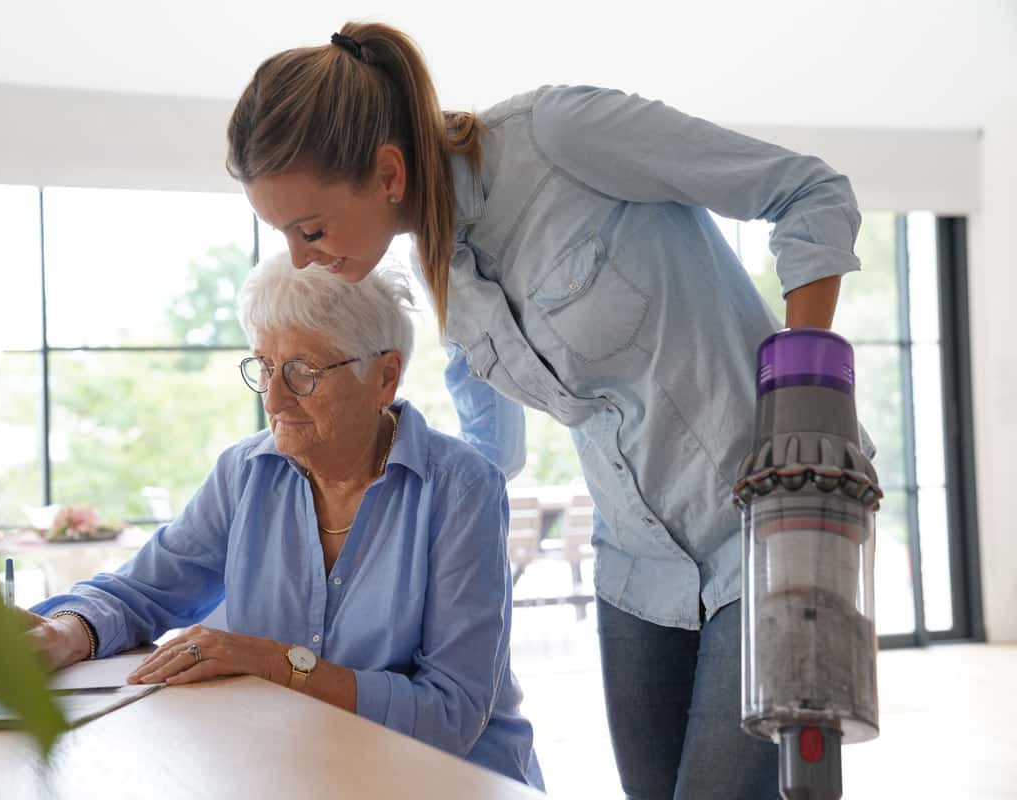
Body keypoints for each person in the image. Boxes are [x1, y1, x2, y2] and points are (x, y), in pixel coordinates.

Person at [226, 22, 868, 800]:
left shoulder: (558, 138)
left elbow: (810, 192)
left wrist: (802, 392)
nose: (299, 255)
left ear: (388, 171)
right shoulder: (446, 278)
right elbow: (491, 452)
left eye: (310, 228)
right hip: (638, 569)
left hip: (769, 526)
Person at [21, 252, 544, 790]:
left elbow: (449, 715)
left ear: (385, 377)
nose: (273, 397)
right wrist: (66, 632)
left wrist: (278, 664)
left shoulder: (461, 487)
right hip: (298, 766)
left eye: (302, 372)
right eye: (265, 367)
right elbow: (139, 593)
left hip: (449, 782)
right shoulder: (246, 472)